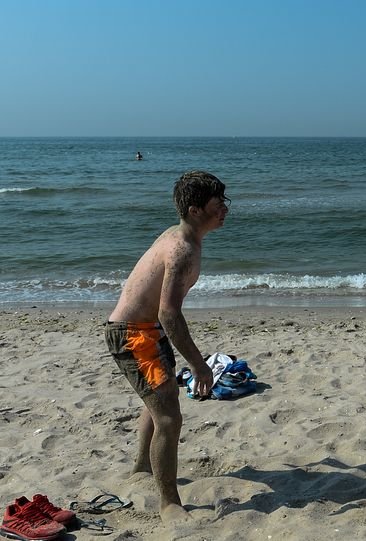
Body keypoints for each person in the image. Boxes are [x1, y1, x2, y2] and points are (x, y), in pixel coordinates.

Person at [104, 170, 230, 522]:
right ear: (194, 210)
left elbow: (163, 313)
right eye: (217, 203)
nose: (225, 208)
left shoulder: (179, 236)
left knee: (162, 397)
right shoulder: (182, 249)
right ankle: (168, 503)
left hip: (146, 329)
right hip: (134, 334)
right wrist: (199, 365)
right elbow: (169, 313)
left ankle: (143, 465)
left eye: (224, 201)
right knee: (169, 417)